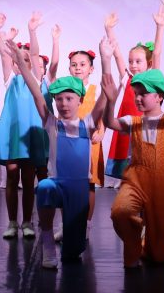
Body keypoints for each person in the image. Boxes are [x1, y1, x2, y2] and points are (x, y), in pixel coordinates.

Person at [7, 37, 107, 268]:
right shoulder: (52, 124)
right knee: (44, 187)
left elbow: (106, 96)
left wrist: (107, 59)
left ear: (80, 100)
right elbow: (36, 91)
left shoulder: (87, 124)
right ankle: (47, 241)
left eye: (69, 98)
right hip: (57, 184)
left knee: (73, 252)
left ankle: (72, 241)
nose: (63, 103)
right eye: (59, 99)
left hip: (79, 189)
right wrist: (21, 62)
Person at [101, 63, 164, 268]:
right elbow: (110, 122)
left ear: (159, 96)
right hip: (135, 180)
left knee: (160, 255)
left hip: (163, 183)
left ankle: (153, 245)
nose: (138, 98)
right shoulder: (133, 121)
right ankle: (134, 242)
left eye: (143, 94)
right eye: (136, 94)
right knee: (120, 212)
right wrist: (110, 102)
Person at [0, 13, 46, 239]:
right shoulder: (10, 79)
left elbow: (34, 54)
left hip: (30, 136)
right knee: (12, 177)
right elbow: (4, 55)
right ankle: (12, 222)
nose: (19, 62)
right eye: (16, 60)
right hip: (13, 136)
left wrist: (32, 30)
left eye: (24, 60)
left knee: (29, 179)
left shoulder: (36, 80)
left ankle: (27, 222)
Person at [104, 7, 164, 180]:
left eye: (138, 61)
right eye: (131, 61)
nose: (133, 65)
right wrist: (109, 29)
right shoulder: (127, 79)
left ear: (149, 64)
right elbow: (117, 55)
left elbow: (157, 53)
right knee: (129, 170)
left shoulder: (153, 79)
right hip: (129, 129)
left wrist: (160, 27)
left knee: (146, 168)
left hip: (146, 129)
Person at [54, 45, 103, 241]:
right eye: (74, 65)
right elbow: (60, 115)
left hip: (90, 141)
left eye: (82, 64)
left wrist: (101, 132)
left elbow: (101, 115)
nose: (78, 68)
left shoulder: (95, 90)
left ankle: (86, 225)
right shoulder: (65, 89)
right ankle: (65, 225)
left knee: (89, 185)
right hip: (68, 141)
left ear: (91, 68)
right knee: (65, 184)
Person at [27, 14, 61, 181]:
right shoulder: (28, 82)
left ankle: (45, 190)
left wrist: (55, 40)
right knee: (29, 169)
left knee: (44, 168)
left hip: (45, 129)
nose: (37, 68)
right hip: (31, 128)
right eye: (35, 65)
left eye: (41, 66)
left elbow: (54, 64)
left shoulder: (47, 82)